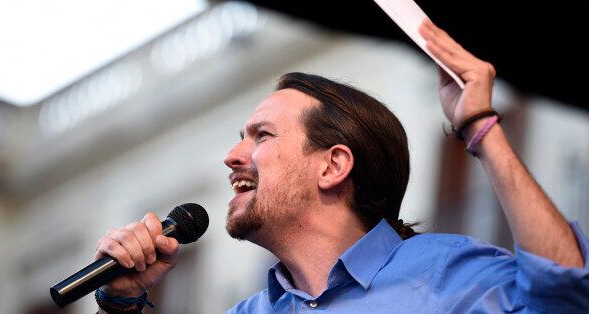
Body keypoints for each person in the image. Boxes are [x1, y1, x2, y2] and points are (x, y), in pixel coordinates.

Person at [92, 19, 588, 313]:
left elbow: (567, 287)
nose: (232, 156)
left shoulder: (452, 279)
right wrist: (122, 303)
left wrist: (480, 126)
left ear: (333, 166)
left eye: (261, 136)